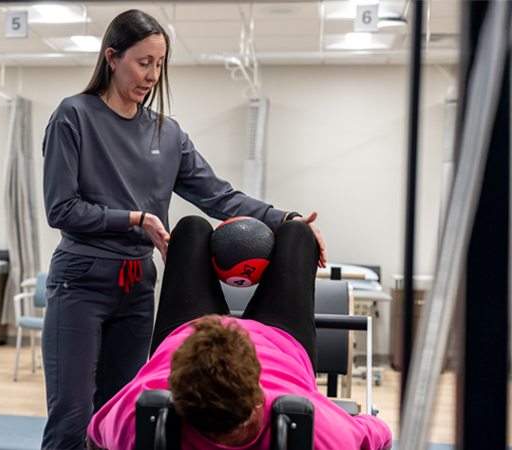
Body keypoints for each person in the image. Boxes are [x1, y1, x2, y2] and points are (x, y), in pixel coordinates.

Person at [41, 9, 326, 450]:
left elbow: (219, 196)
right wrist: (136, 219)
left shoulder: (167, 133)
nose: (153, 74)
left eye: (159, 64)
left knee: (124, 419)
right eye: (143, 62)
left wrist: (283, 219)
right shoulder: (73, 116)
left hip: (137, 288)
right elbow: (62, 209)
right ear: (112, 57)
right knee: (72, 423)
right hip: (81, 281)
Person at [87, 216, 392, 450]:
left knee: (192, 228)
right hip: (279, 343)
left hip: (187, 336)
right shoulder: (316, 429)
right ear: (261, 396)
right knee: (298, 233)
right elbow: (378, 434)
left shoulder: (138, 417)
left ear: (175, 395)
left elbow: (94, 434)